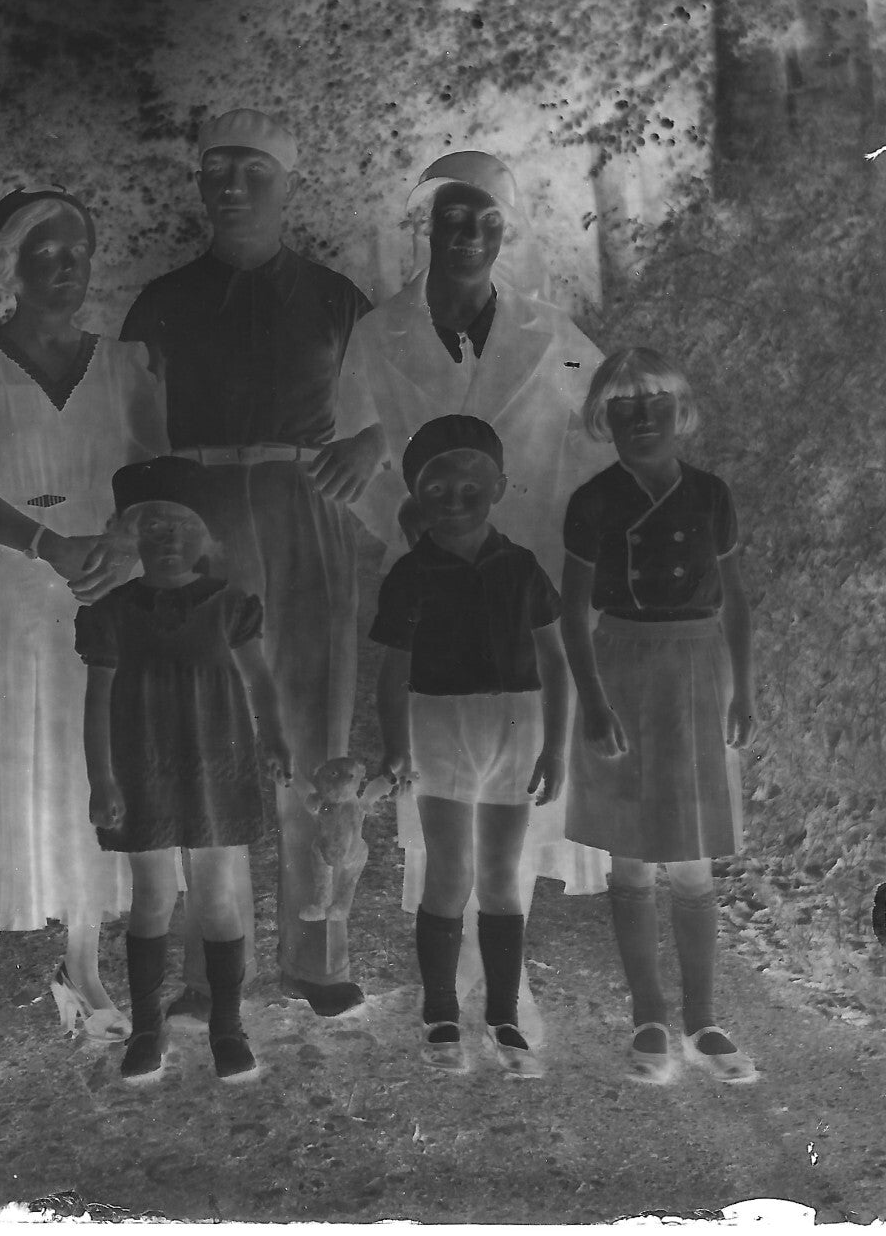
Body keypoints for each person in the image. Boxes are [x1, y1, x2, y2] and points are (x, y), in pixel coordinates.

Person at [104, 108, 383, 1019]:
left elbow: (393, 401)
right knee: (199, 724)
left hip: (308, 511)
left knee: (313, 726)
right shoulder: (161, 302)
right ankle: (202, 968)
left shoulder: (337, 297)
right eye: (215, 170)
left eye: (251, 170)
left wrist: (371, 447)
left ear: (286, 183)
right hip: (199, 519)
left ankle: (318, 953)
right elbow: (136, 432)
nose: (230, 186)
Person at [336, 151, 609, 1012]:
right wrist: (405, 518)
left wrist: (589, 521)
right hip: (431, 570)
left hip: (518, 566)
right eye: (456, 218)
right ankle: (450, 972)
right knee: (439, 766)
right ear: (428, 226)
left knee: (513, 768)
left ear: (506, 233)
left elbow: (601, 422)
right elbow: (355, 448)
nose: (472, 236)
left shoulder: (549, 334)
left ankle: (507, 971)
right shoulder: (380, 334)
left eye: (489, 222)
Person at [0, 188, 166, 1095]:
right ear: (15, 266)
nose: (66, 265)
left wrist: (130, 544)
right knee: (2, 767)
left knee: (91, 762)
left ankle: (85, 966)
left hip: (105, 589)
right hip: (17, 588)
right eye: (46, 251)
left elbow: (155, 473)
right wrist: (42, 540)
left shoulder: (125, 365)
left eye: (81, 249)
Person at [560, 346, 758, 1085]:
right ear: (602, 418)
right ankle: (649, 1014)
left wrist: (744, 689)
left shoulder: (712, 494)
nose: (640, 418)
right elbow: (575, 613)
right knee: (632, 857)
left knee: (694, 861)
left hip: (698, 671)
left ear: (682, 412)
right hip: (623, 671)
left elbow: (734, 598)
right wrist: (593, 701)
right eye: (622, 405)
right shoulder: (592, 500)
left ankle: (703, 1019)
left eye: (654, 403)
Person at [78, 458, 293, 1084]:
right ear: (131, 535)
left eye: (183, 526)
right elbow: (96, 703)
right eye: (154, 527)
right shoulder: (112, 612)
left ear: (206, 537)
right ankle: (148, 1028)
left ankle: (228, 1025)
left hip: (216, 765)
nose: (169, 539)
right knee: (151, 897)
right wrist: (102, 779)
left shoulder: (229, 606)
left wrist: (274, 740)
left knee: (217, 895)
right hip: (142, 769)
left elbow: (259, 682)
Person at [372, 416, 568, 1076]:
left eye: (471, 485)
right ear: (415, 496)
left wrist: (556, 748)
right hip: (438, 728)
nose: (454, 498)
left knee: (503, 878)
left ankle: (505, 1015)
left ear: (499, 488)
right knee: (450, 873)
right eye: (436, 487)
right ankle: (439, 1011)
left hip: (515, 728)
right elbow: (394, 670)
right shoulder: (410, 572)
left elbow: (553, 663)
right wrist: (396, 747)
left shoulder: (522, 568)